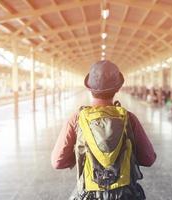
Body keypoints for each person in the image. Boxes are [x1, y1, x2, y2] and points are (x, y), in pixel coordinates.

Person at [51, 60, 156, 200]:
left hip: (89, 194)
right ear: (118, 88)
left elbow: (57, 162)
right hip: (125, 195)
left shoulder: (77, 119)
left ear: (89, 89)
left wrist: (80, 152)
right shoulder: (129, 118)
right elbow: (148, 159)